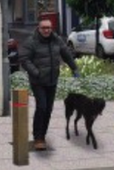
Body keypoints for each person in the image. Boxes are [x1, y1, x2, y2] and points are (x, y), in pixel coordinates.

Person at [18, 19, 79, 151]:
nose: (46, 30)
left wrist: (74, 68)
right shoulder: (32, 41)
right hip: (38, 81)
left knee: (48, 109)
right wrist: (35, 72)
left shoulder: (56, 40)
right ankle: (38, 138)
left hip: (52, 80)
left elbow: (66, 54)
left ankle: (42, 136)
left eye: (49, 28)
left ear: (51, 29)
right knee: (42, 107)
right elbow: (24, 59)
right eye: (44, 28)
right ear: (39, 28)